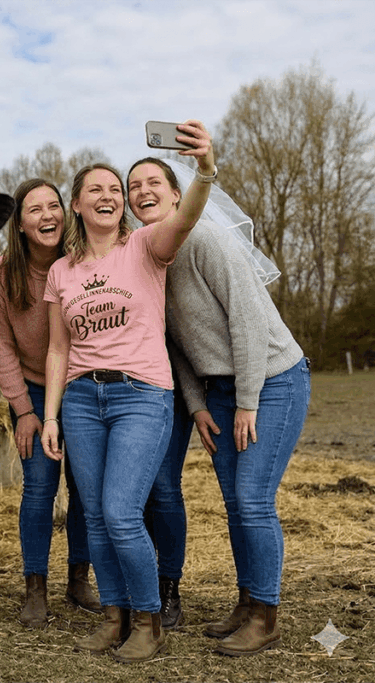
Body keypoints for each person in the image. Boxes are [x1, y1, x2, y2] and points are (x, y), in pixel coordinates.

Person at [40, 120, 216, 663]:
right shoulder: (61, 272)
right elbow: (57, 350)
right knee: (94, 515)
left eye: (115, 189)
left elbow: (186, 216)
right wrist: (50, 417)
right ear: (76, 205)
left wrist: (205, 170)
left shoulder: (143, 245)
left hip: (141, 395)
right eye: (96, 189)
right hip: (80, 401)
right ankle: (113, 617)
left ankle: (148, 620)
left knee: (120, 513)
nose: (110, 195)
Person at [126, 157, 310, 656]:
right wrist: (198, 406)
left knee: (253, 499)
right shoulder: (148, 260)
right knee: (235, 503)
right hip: (219, 392)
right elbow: (175, 344)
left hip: (273, 379)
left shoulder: (205, 239)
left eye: (153, 182)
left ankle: (266, 617)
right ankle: (247, 603)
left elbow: (248, 320)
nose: (142, 191)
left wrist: (247, 402)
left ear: (176, 194)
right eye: (134, 185)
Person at [0, 178, 100, 628]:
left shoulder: (82, 262)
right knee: (38, 487)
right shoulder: (0, 278)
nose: (48, 215)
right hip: (32, 389)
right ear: (19, 223)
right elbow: (1, 350)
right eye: (35, 210)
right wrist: (24, 411)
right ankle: (35, 588)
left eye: (54, 206)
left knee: (85, 487)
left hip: (81, 385)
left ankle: (79, 578)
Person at [142, 338, 194, 630]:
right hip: (130, 381)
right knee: (140, 490)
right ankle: (144, 586)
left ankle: (169, 591)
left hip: (171, 381)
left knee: (164, 486)